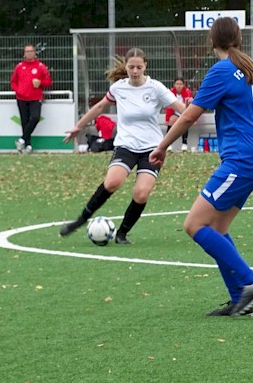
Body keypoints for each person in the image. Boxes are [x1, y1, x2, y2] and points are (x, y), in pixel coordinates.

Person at [149, 17, 253, 316]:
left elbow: (188, 117)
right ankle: (240, 300)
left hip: (242, 158)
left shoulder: (222, 71)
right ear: (238, 39)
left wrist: (162, 146)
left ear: (212, 42)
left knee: (194, 225)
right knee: (217, 227)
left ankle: (250, 281)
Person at [61, 48, 186, 244]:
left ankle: (122, 234)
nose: (135, 71)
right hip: (126, 145)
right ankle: (81, 220)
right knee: (112, 182)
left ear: (145, 66)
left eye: (139, 67)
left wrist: (170, 138)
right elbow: (101, 106)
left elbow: (183, 111)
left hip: (152, 148)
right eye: (131, 67)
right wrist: (79, 126)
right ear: (126, 67)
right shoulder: (119, 88)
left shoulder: (156, 88)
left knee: (141, 193)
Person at [10, 44, 52, 153]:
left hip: (35, 98)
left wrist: (40, 83)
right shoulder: (19, 67)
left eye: (31, 51)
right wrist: (18, 90)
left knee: (35, 117)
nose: (29, 53)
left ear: (34, 53)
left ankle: (21, 139)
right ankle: (28, 146)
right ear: (24, 54)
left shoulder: (40, 67)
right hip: (21, 98)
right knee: (24, 121)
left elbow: (49, 82)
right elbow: (13, 82)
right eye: (27, 51)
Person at [165, 77, 194, 151]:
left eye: (181, 84)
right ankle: (168, 144)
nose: (179, 86)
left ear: (183, 85)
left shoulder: (187, 92)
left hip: (185, 113)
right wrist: (167, 118)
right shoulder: (171, 93)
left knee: (185, 121)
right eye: (177, 84)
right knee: (171, 120)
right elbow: (168, 107)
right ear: (174, 85)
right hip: (175, 113)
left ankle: (184, 144)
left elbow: (192, 106)